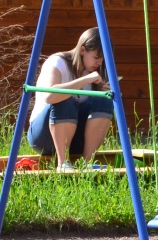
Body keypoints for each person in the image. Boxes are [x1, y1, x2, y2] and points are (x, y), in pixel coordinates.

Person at [27, 28, 115, 172]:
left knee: (103, 100)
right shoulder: (58, 62)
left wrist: (105, 92)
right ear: (82, 50)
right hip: (43, 136)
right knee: (63, 98)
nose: (99, 62)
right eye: (96, 57)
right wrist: (84, 80)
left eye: (103, 58)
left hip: (75, 138)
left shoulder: (98, 71)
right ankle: (63, 163)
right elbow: (50, 96)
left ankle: (87, 164)